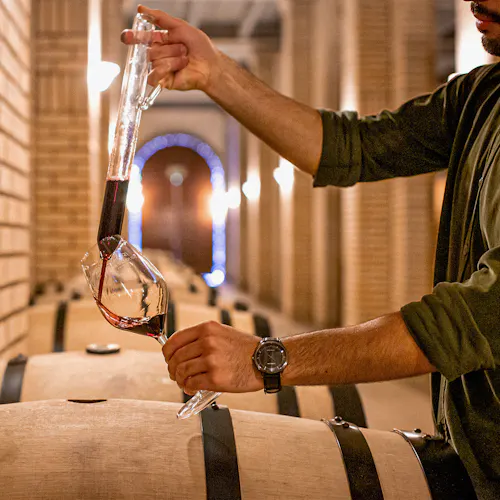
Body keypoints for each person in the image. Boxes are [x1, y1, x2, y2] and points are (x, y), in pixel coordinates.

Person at [123, 1, 500, 497]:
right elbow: (352, 147)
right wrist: (217, 74)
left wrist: (266, 359)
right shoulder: (484, 95)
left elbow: (475, 316)